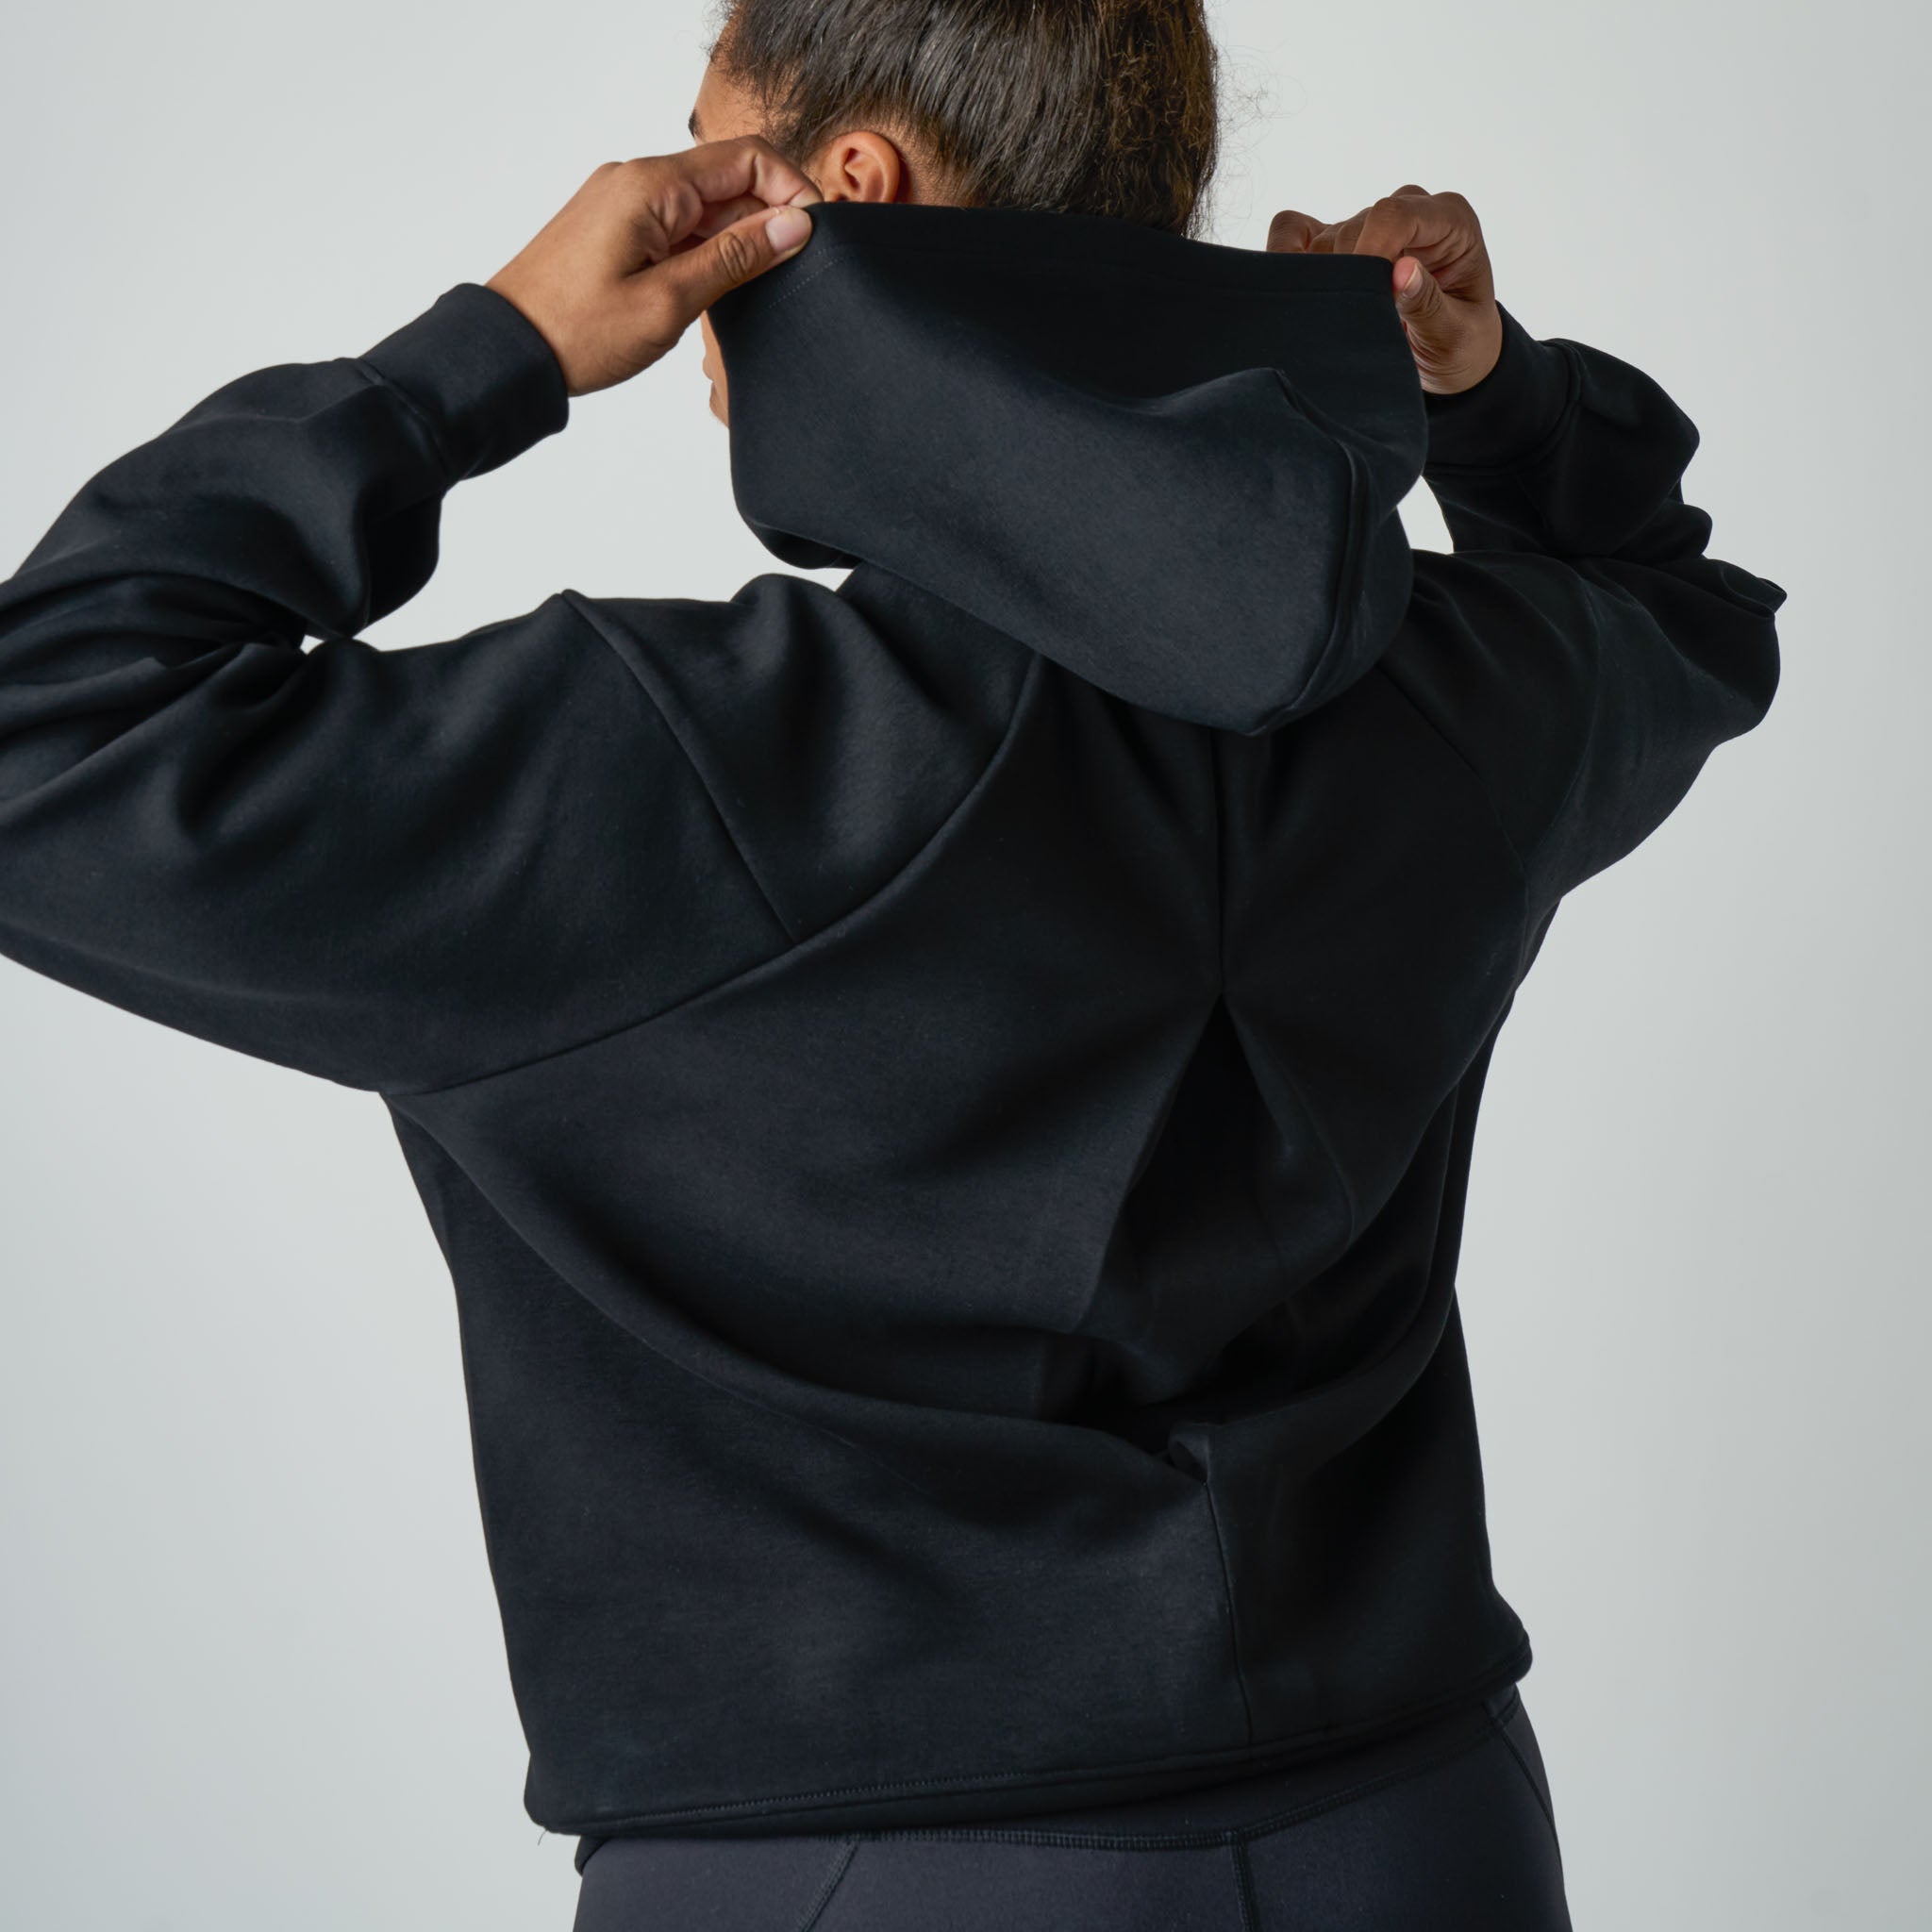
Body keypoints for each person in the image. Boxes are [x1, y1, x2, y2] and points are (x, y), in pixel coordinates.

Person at [0, 2, 1785, 1926]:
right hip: (1419, 1833)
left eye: (698, 145)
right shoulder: (1455, 708)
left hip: (853, 1872)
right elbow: (1676, 602)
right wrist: (1490, 393)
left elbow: (42, 737)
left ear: (845, 184)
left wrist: (488, 353)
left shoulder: (686, 766)